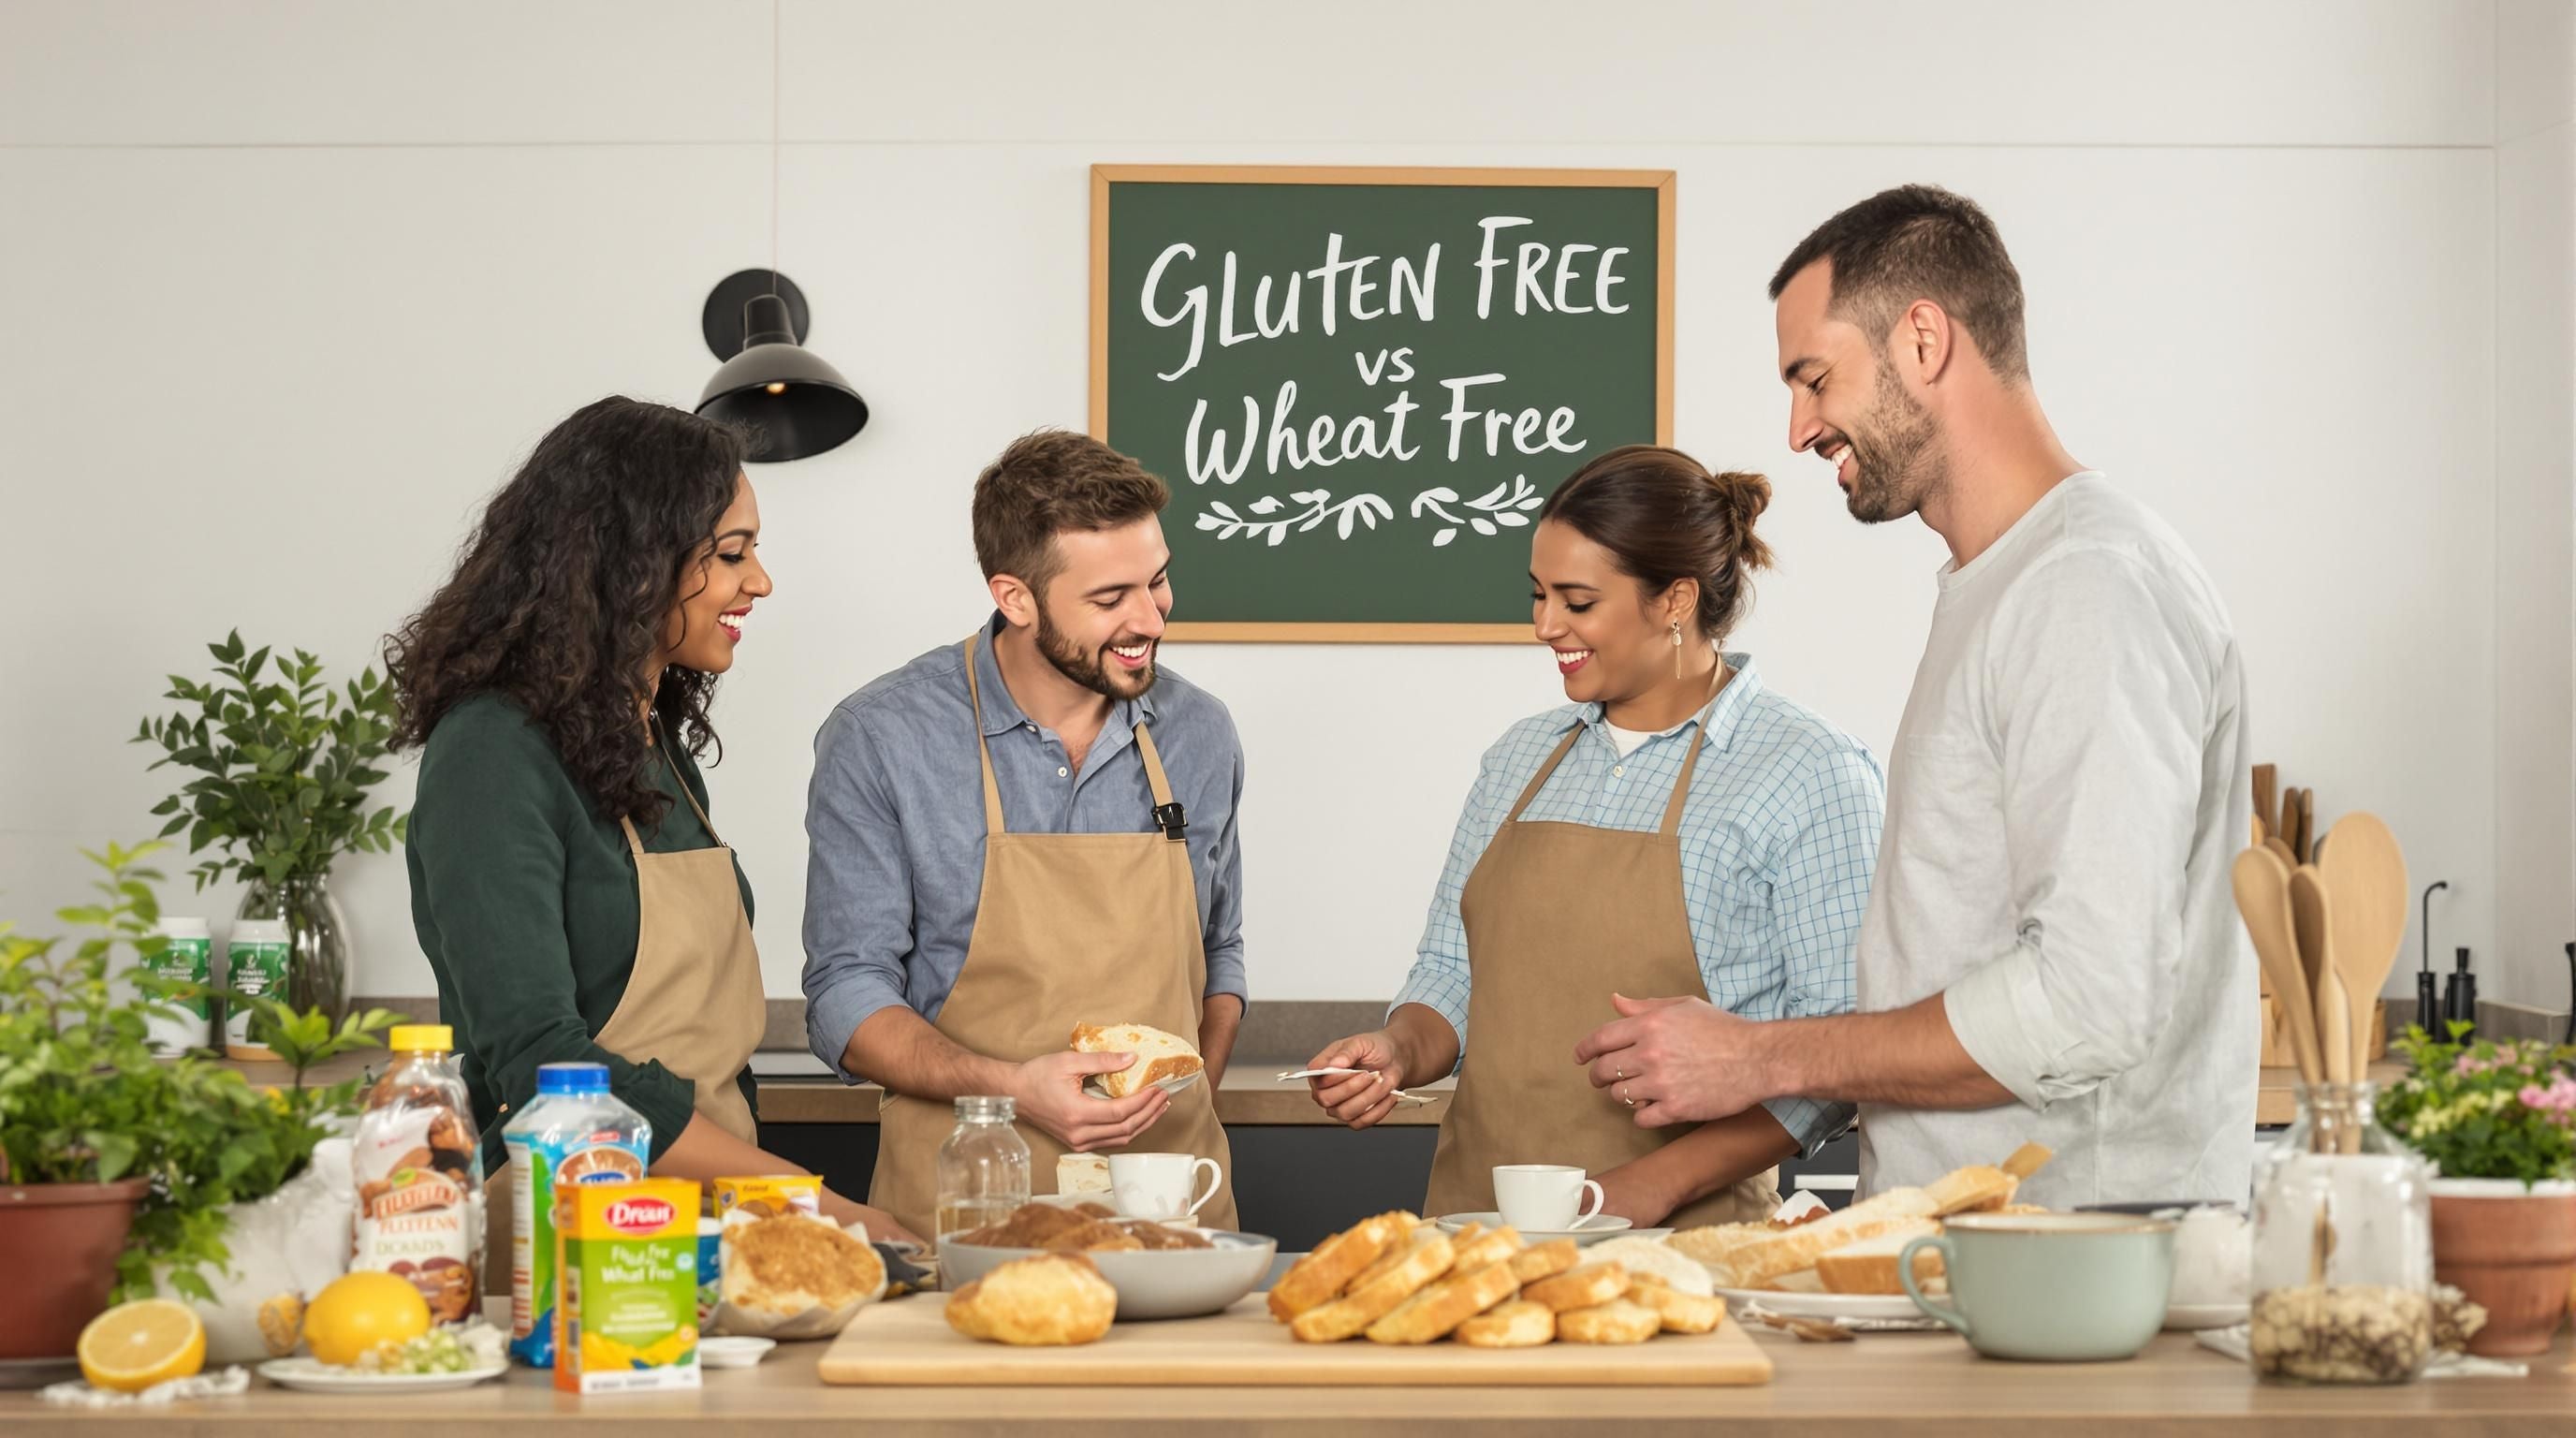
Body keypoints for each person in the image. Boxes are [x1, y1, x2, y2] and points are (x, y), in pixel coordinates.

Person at [1575, 184, 2255, 1207]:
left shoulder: (2085, 589)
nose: (1797, 429)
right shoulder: (2005, 586)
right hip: (1986, 1258)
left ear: (1924, 341)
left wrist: (1760, 1058)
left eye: (1814, 378)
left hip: (2074, 1274)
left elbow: (2087, 1004)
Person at [1307, 446, 1883, 1228]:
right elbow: (1451, 972)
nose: (1545, 626)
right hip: (1481, 1228)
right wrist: (1399, 1051)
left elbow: (1838, 1052)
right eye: (1539, 595)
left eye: (1577, 602)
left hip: (1685, 1246)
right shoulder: (1520, 759)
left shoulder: (1807, 771)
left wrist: (1650, 1186)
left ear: (1674, 600)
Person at [392, 396, 915, 1242]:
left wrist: (766, 1210)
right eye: (730, 554)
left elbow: (705, 1063)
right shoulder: (492, 756)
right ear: (630, 563)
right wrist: (809, 1199)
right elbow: (541, 1064)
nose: (760, 580)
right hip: (571, 1239)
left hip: (706, 1232)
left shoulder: (649, 743)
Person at [801, 430, 1247, 1240]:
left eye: (1159, 581)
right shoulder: (883, 737)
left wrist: (1187, 1102)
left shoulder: (1200, 734)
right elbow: (845, 997)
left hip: (1170, 1213)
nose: (1151, 617)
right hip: (962, 1215)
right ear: (1014, 597)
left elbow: (1220, 954)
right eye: (1111, 599)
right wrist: (1008, 1086)